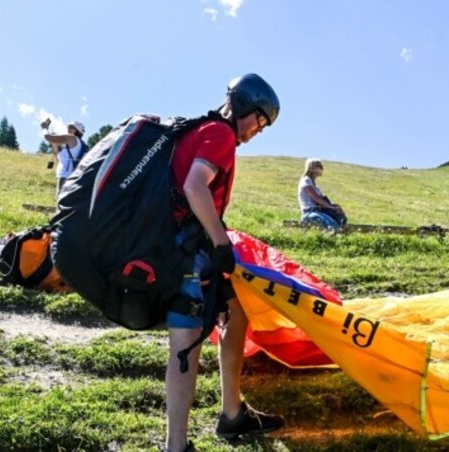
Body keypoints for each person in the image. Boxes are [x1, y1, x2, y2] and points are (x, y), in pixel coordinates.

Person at [165, 74, 284, 451]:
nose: (259, 131)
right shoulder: (220, 135)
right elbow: (194, 186)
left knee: (236, 313)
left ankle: (233, 415)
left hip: (189, 244)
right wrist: (219, 244)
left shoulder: (202, 129)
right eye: (260, 121)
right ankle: (175, 446)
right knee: (186, 347)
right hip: (189, 252)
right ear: (245, 107)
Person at [297, 158, 347, 231]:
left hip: (319, 211)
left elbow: (322, 201)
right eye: (319, 166)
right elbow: (316, 198)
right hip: (309, 212)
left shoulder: (316, 187)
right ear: (312, 168)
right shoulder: (306, 180)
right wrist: (331, 207)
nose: (321, 169)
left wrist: (335, 206)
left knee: (340, 220)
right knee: (331, 226)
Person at [40, 119, 87, 194]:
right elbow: (59, 159)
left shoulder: (72, 138)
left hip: (65, 176)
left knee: (60, 202)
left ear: (78, 131)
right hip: (72, 177)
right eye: (68, 127)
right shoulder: (80, 145)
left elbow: (48, 137)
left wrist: (44, 128)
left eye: (72, 127)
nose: (68, 129)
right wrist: (54, 144)